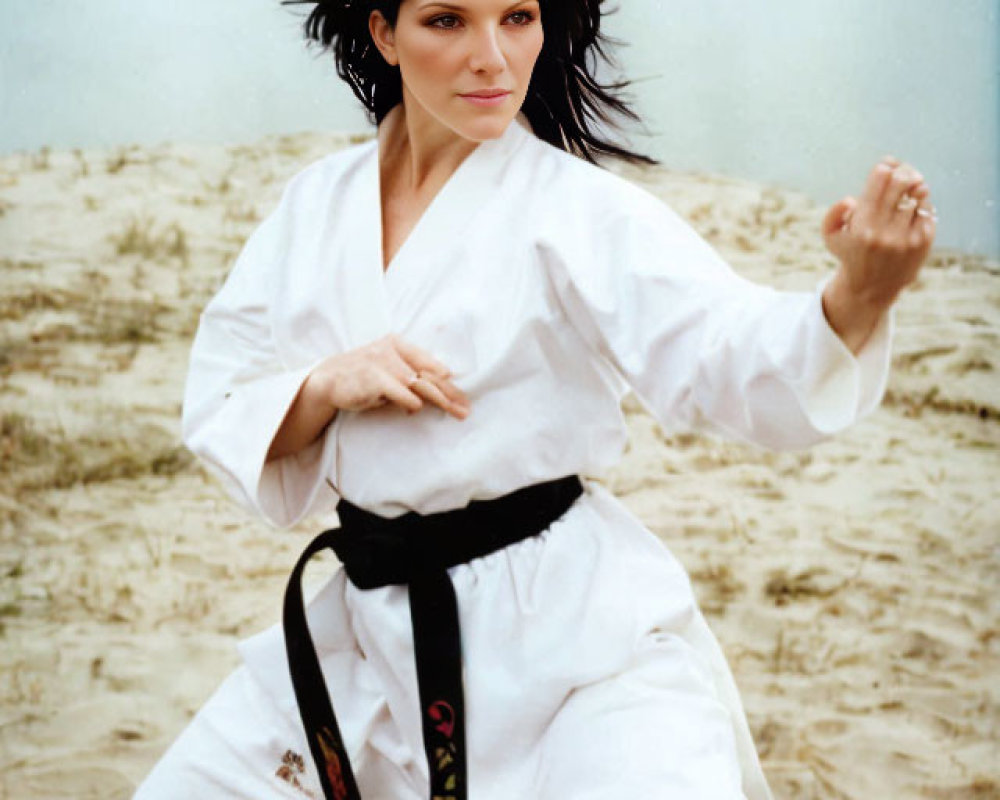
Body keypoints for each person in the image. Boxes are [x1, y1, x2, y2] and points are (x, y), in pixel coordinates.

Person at [135, 1, 936, 798]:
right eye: (448, 21)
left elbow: (721, 350)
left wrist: (857, 297)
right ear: (383, 33)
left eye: (517, 17)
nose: (492, 56)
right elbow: (224, 397)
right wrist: (322, 385)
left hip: (574, 646)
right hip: (368, 633)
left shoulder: (577, 208)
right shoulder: (315, 206)